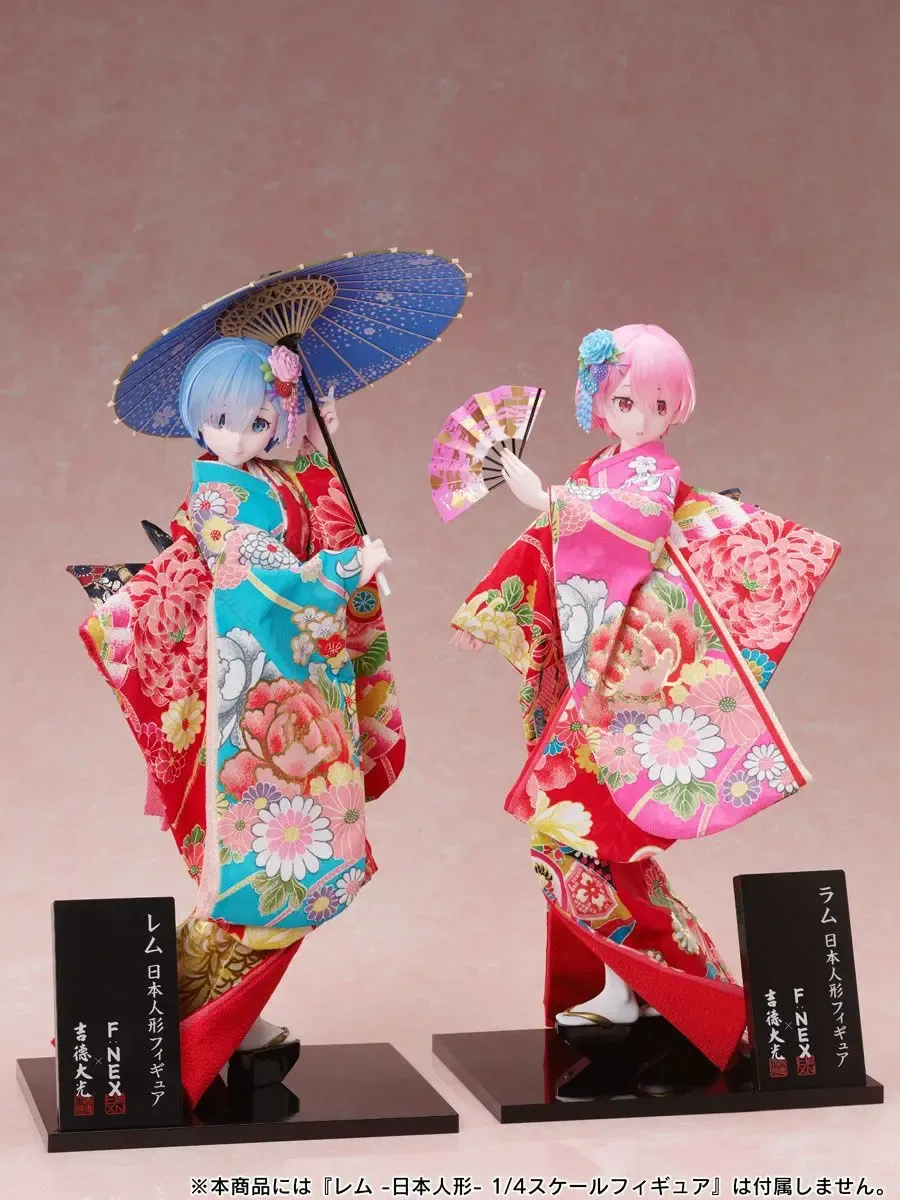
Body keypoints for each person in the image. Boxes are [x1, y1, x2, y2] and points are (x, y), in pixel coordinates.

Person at [451, 324, 839, 1087]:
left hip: (630, 684)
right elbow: (545, 548)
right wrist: (492, 607)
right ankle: (655, 988)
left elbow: (624, 531)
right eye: (626, 401)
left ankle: (656, 990)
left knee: (578, 840)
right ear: (598, 401)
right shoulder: (598, 468)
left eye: (658, 405)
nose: (641, 417)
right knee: (595, 846)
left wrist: (551, 498)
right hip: (592, 679)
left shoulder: (651, 477)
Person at [79, 337, 404, 1107]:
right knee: (267, 874)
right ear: (195, 418)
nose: (237, 435)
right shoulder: (217, 501)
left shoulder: (266, 478)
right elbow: (266, 584)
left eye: (258, 420)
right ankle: (182, 1035)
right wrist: (346, 570)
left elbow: (311, 514)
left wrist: (317, 449)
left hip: (285, 689)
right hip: (252, 703)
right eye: (221, 419)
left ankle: (216, 1024)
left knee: (274, 874)